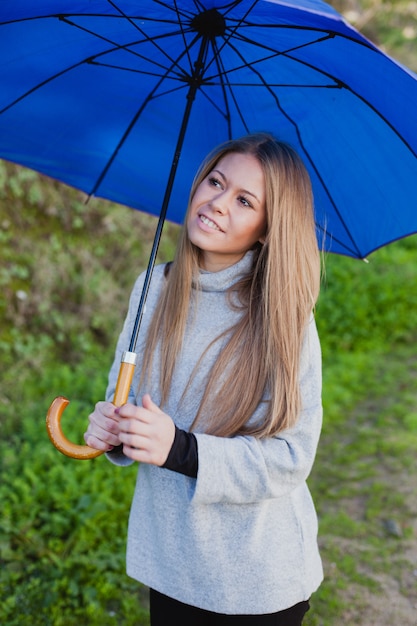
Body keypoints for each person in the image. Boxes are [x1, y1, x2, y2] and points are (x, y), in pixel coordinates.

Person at [84, 133, 323, 625]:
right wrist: (113, 430)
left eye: (243, 200)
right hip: (171, 562)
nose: (216, 202)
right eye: (215, 181)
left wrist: (180, 448)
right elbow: (121, 399)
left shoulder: (284, 317)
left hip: (256, 575)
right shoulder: (154, 287)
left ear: (266, 228)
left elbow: (290, 457)